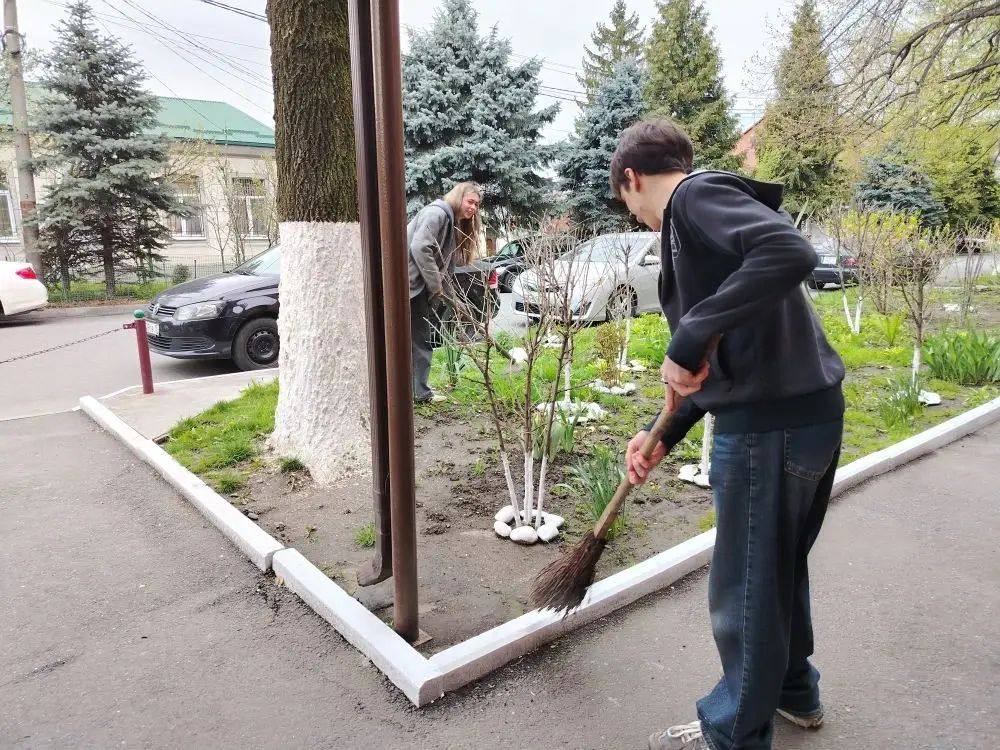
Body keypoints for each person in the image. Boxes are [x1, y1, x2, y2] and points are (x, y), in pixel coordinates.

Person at [612, 119, 846, 750]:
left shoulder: (692, 200)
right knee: (776, 571)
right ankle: (794, 691)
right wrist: (662, 434)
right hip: (805, 418)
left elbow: (792, 251)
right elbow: (723, 360)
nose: (634, 216)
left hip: (770, 431)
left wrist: (687, 334)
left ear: (631, 179)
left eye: (626, 201)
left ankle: (732, 734)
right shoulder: (708, 229)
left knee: (745, 587)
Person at [407, 182, 482, 403]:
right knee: (420, 342)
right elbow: (420, 247)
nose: (473, 208)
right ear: (458, 197)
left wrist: (456, 302)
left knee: (415, 341)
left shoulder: (449, 220)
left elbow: (444, 271)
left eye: (477, 205)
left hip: (415, 288)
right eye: (470, 202)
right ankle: (420, 394)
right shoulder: (437, 214)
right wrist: (435, 286)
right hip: (412, 288)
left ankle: (412, 391)